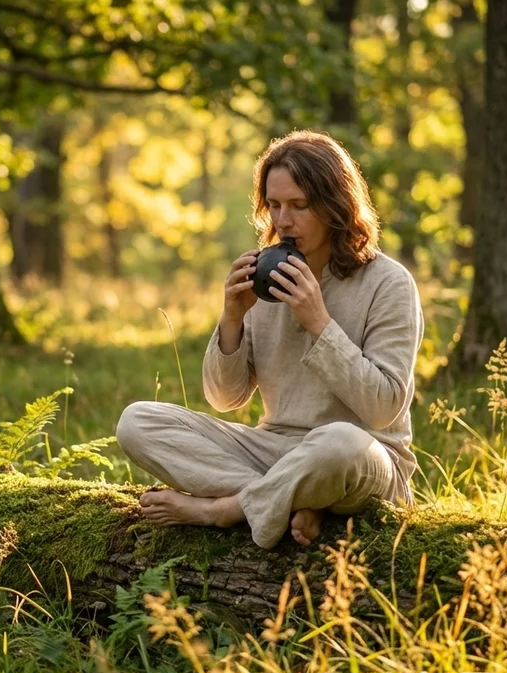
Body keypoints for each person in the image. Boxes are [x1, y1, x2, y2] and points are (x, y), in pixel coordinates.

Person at [115, 129, 423, 549]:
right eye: (274, 205)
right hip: (274, 449)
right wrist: (232, 319)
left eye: (299, 205)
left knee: (339, 442)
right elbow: (225, 398)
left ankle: (223, 511)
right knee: (137, 421)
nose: (283, 221)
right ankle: (292, 502)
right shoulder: (266, 275)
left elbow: (384, 409)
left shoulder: (389, 283)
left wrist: (320, 323)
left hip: (362, 459)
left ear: (336, 207)